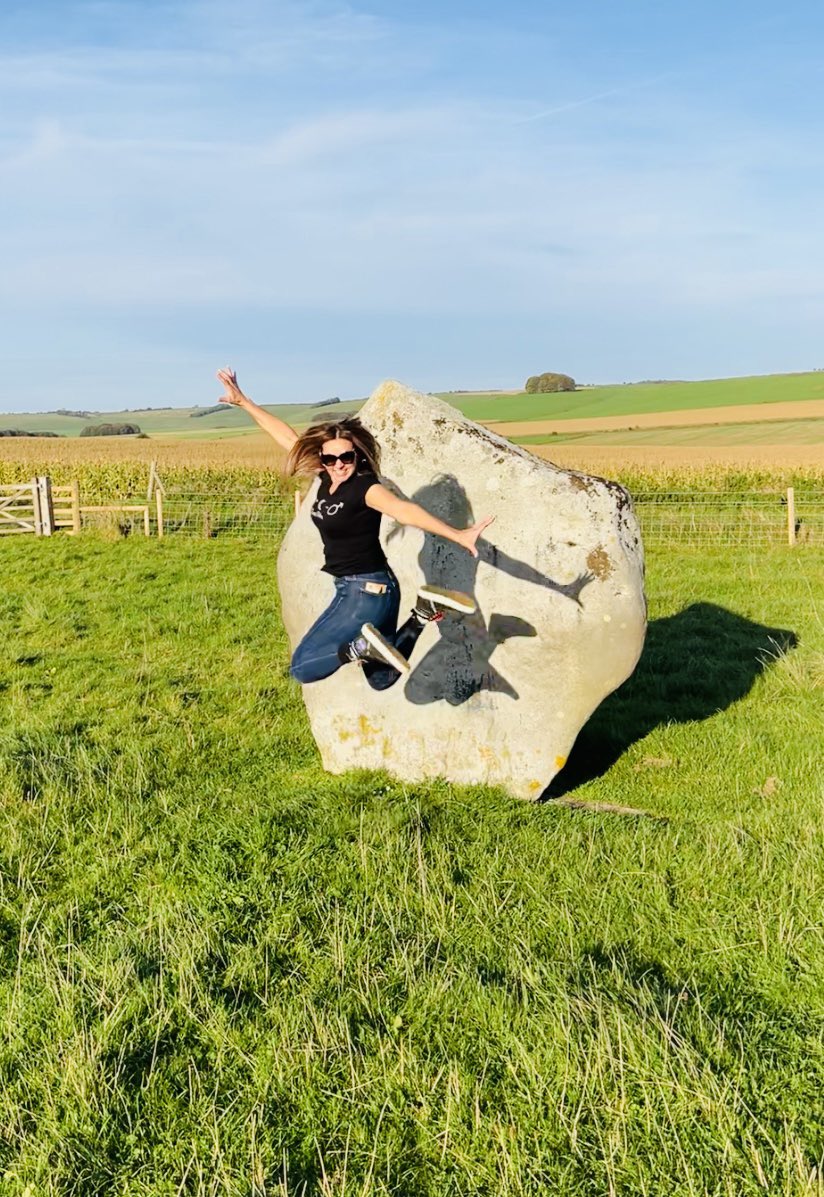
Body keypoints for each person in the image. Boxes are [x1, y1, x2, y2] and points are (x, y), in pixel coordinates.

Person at [216, 368, 494, 690]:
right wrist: (244, 402)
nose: (338, 465)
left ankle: (359, 647)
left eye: (346, 457)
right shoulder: (324, 479)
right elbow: (287, 437)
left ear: (357, 456)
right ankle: (421, 614)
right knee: (381, 677)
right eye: (331, 459)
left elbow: (403, 510)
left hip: (364, 592)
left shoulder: (365, 487)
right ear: (322, 458)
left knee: (303, 667)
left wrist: (458, 534)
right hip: (376, 589)